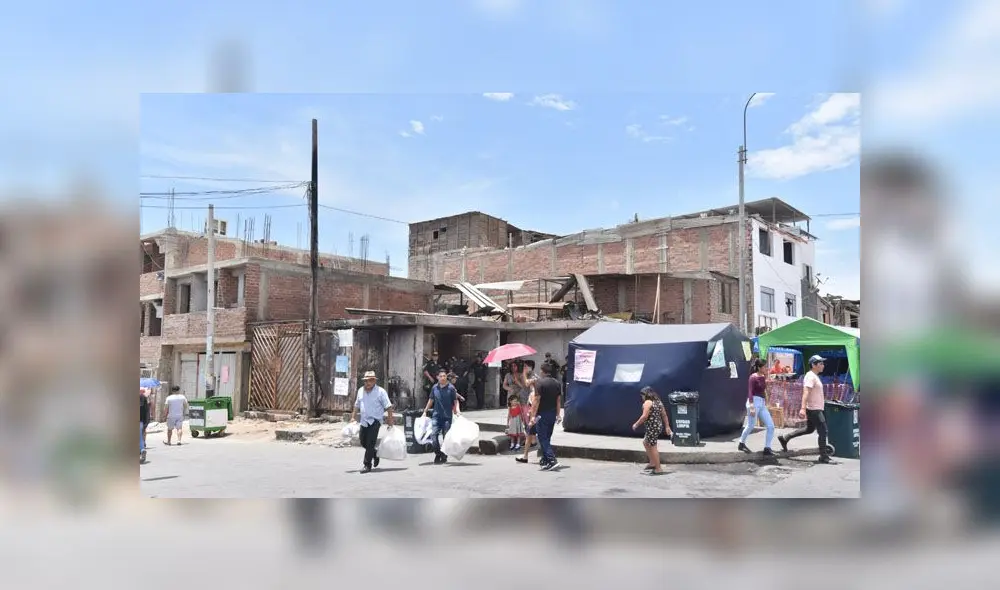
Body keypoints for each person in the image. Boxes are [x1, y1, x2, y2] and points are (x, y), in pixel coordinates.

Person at [778, 355, 832, 463]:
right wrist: (802, 408)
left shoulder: (815, 376)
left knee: (809, 429)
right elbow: (806, 392)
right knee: (823, 431)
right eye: (820, 363)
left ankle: (785, 438)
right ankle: (823, 456)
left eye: (822, 363)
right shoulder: (810, 376)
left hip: (816, 408)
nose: (823, 365)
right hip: (813, 409)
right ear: (813, 365)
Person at [350, 370, 395, 473]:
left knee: (370, 443)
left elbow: (388, 407)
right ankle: (374, 453)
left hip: (375, 421)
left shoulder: (381, 392)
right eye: (366, 381)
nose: (367, 383)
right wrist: (353, 417)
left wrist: (390, 420)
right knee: (363, 441)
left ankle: (367, 465)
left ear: (374, 381)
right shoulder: (361, 390)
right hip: (364, 421)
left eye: (370, 380)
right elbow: (356, 405)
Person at [527, 363, 562, 471]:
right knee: (547, 437)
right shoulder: (557, 383)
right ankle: (545, 460)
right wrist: (558, 414)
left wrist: (532, 416)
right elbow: (558, 400)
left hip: (541, 414)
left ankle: (552, 460)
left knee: (542, 437)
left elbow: (536, 400)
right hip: (552, 414)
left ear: (542, 371)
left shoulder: (540, 383)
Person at [422, 369, 461, 464]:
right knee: (434, 436)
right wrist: (425, 411)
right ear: (437, 377)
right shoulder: (434, 388)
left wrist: (457, 411)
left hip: (447, 417)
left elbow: (455, 401)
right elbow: (431, 400)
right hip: (436, 416)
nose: (443, 378)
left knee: (445, 437)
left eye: (444, 376)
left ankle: (444, 454)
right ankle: (438, 453)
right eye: (441, 376)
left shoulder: (451, 388)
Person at [632, 386, 673, 475]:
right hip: (657, 426)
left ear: (645, 394)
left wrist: (636, 424)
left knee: (652, 446)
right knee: (646, 442)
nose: (641, 397)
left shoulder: (648, 402)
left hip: (652, 427)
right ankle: (652, 462)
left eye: (642, 395)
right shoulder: (658, 402)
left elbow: (644, 416)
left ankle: (658, 468)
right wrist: (667, 426)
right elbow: (664, 415)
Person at [738, 358, 775, 456]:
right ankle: (741, 443)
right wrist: (751, 405)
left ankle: (767, 448)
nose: (766, 368)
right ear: (759, 367)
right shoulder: (753, 377)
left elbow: (763, 390)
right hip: (754, 401)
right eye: (764, 366)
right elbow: (750, 391)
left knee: (770, 426)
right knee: (751, 425)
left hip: (762, 403)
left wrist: (767, 401)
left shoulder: (762, 376)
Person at [140, 388, 150, 463]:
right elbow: (147, 411)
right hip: (140, 421)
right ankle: (142, 449)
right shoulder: (143, 397)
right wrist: (146, 422)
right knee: (140, 437)